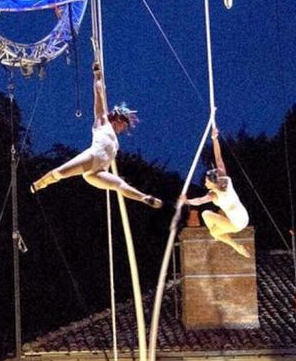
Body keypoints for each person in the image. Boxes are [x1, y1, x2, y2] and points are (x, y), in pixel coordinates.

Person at [31, 62, 163, 208]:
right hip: (92, 158)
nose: (123, 129)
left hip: (99, 172)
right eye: (124, 125)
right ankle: (39, 184)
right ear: (118, 120)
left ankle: (144, 197)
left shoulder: (115, 140)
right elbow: (99, 94)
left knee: (119, 184)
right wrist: (97, 74)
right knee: (60, 173)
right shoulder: (103, 122)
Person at [180, 132, 252, 257]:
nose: (204, 183)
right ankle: (234, 244)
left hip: (237, 222)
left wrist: (186, 201)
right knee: (214, 231)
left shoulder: (216, 194)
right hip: (242, 216)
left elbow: (199, 201)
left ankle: (233, 244)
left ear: (213, 182)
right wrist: (214, 139)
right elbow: (218, 158)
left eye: (206, 181)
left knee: (207, 218)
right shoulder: (224, 180)